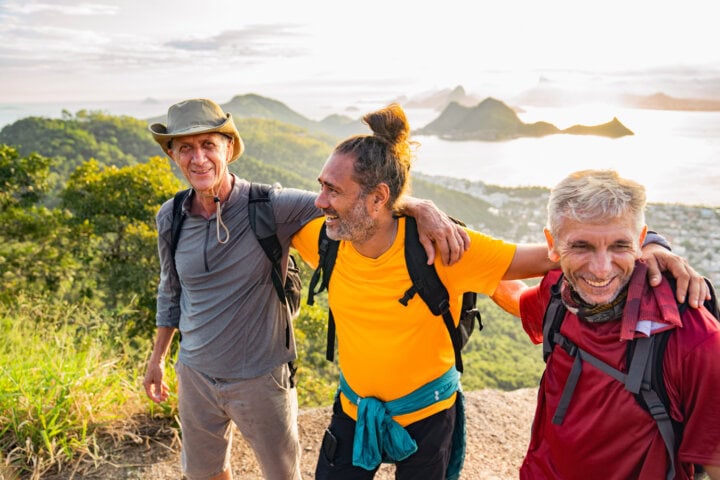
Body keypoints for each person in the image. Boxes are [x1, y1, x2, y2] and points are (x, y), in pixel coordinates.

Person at [289, 104, 707, 480]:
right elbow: (248, 198)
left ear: (378, 197)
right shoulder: (322, 235)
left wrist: (652, 245)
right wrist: (415, 203)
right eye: (322, 186)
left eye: (332, 191)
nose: (320, 201)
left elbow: (555, 254)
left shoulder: (444, 248)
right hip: (352, 409)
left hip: (430, 415)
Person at [142, 98, 472, 480]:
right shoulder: (171, 216)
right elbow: (171, 291)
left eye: (208, 145)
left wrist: (421, 207)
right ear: (172, 154)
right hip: (195, 374)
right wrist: (158, 359)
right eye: (186, 148)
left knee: (282, 475)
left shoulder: (269, 206)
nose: (198, 158)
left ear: (228, 149)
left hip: (260, 378)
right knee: (205, 473)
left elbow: (356, 200)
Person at [499, 169, 720, 479]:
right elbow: (519, 301)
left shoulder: (692, 338)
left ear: (641, 241)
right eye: (581, 247)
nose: (601, 270)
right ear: (552, 244)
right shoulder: (558, 289)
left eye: (619, 246)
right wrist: (470, 268)